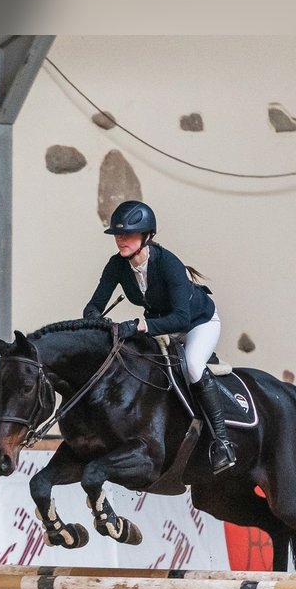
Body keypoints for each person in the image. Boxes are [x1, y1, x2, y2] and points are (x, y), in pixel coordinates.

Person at [82, 199, 236, 474]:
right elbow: (95, 304)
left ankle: (222, 442)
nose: (121, 240)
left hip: (197, 323)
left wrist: (141, 326)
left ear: (147, 236)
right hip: (161, 322)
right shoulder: (117, 265)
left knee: (192, 366)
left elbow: (181, 319)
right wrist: (95, 320)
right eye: (118, 234)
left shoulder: (168, 264)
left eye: (127, 234)